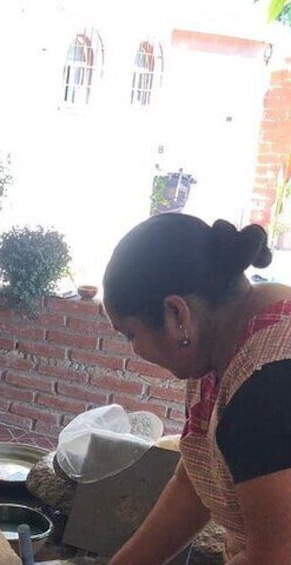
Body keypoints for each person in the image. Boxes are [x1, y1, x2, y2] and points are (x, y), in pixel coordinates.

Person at [102, 213, 291, 564]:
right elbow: (198, 478)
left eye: (130, 334)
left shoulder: (268, 385)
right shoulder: (224, 342)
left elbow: (277, 557)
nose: (136, 350)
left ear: (176, 313)